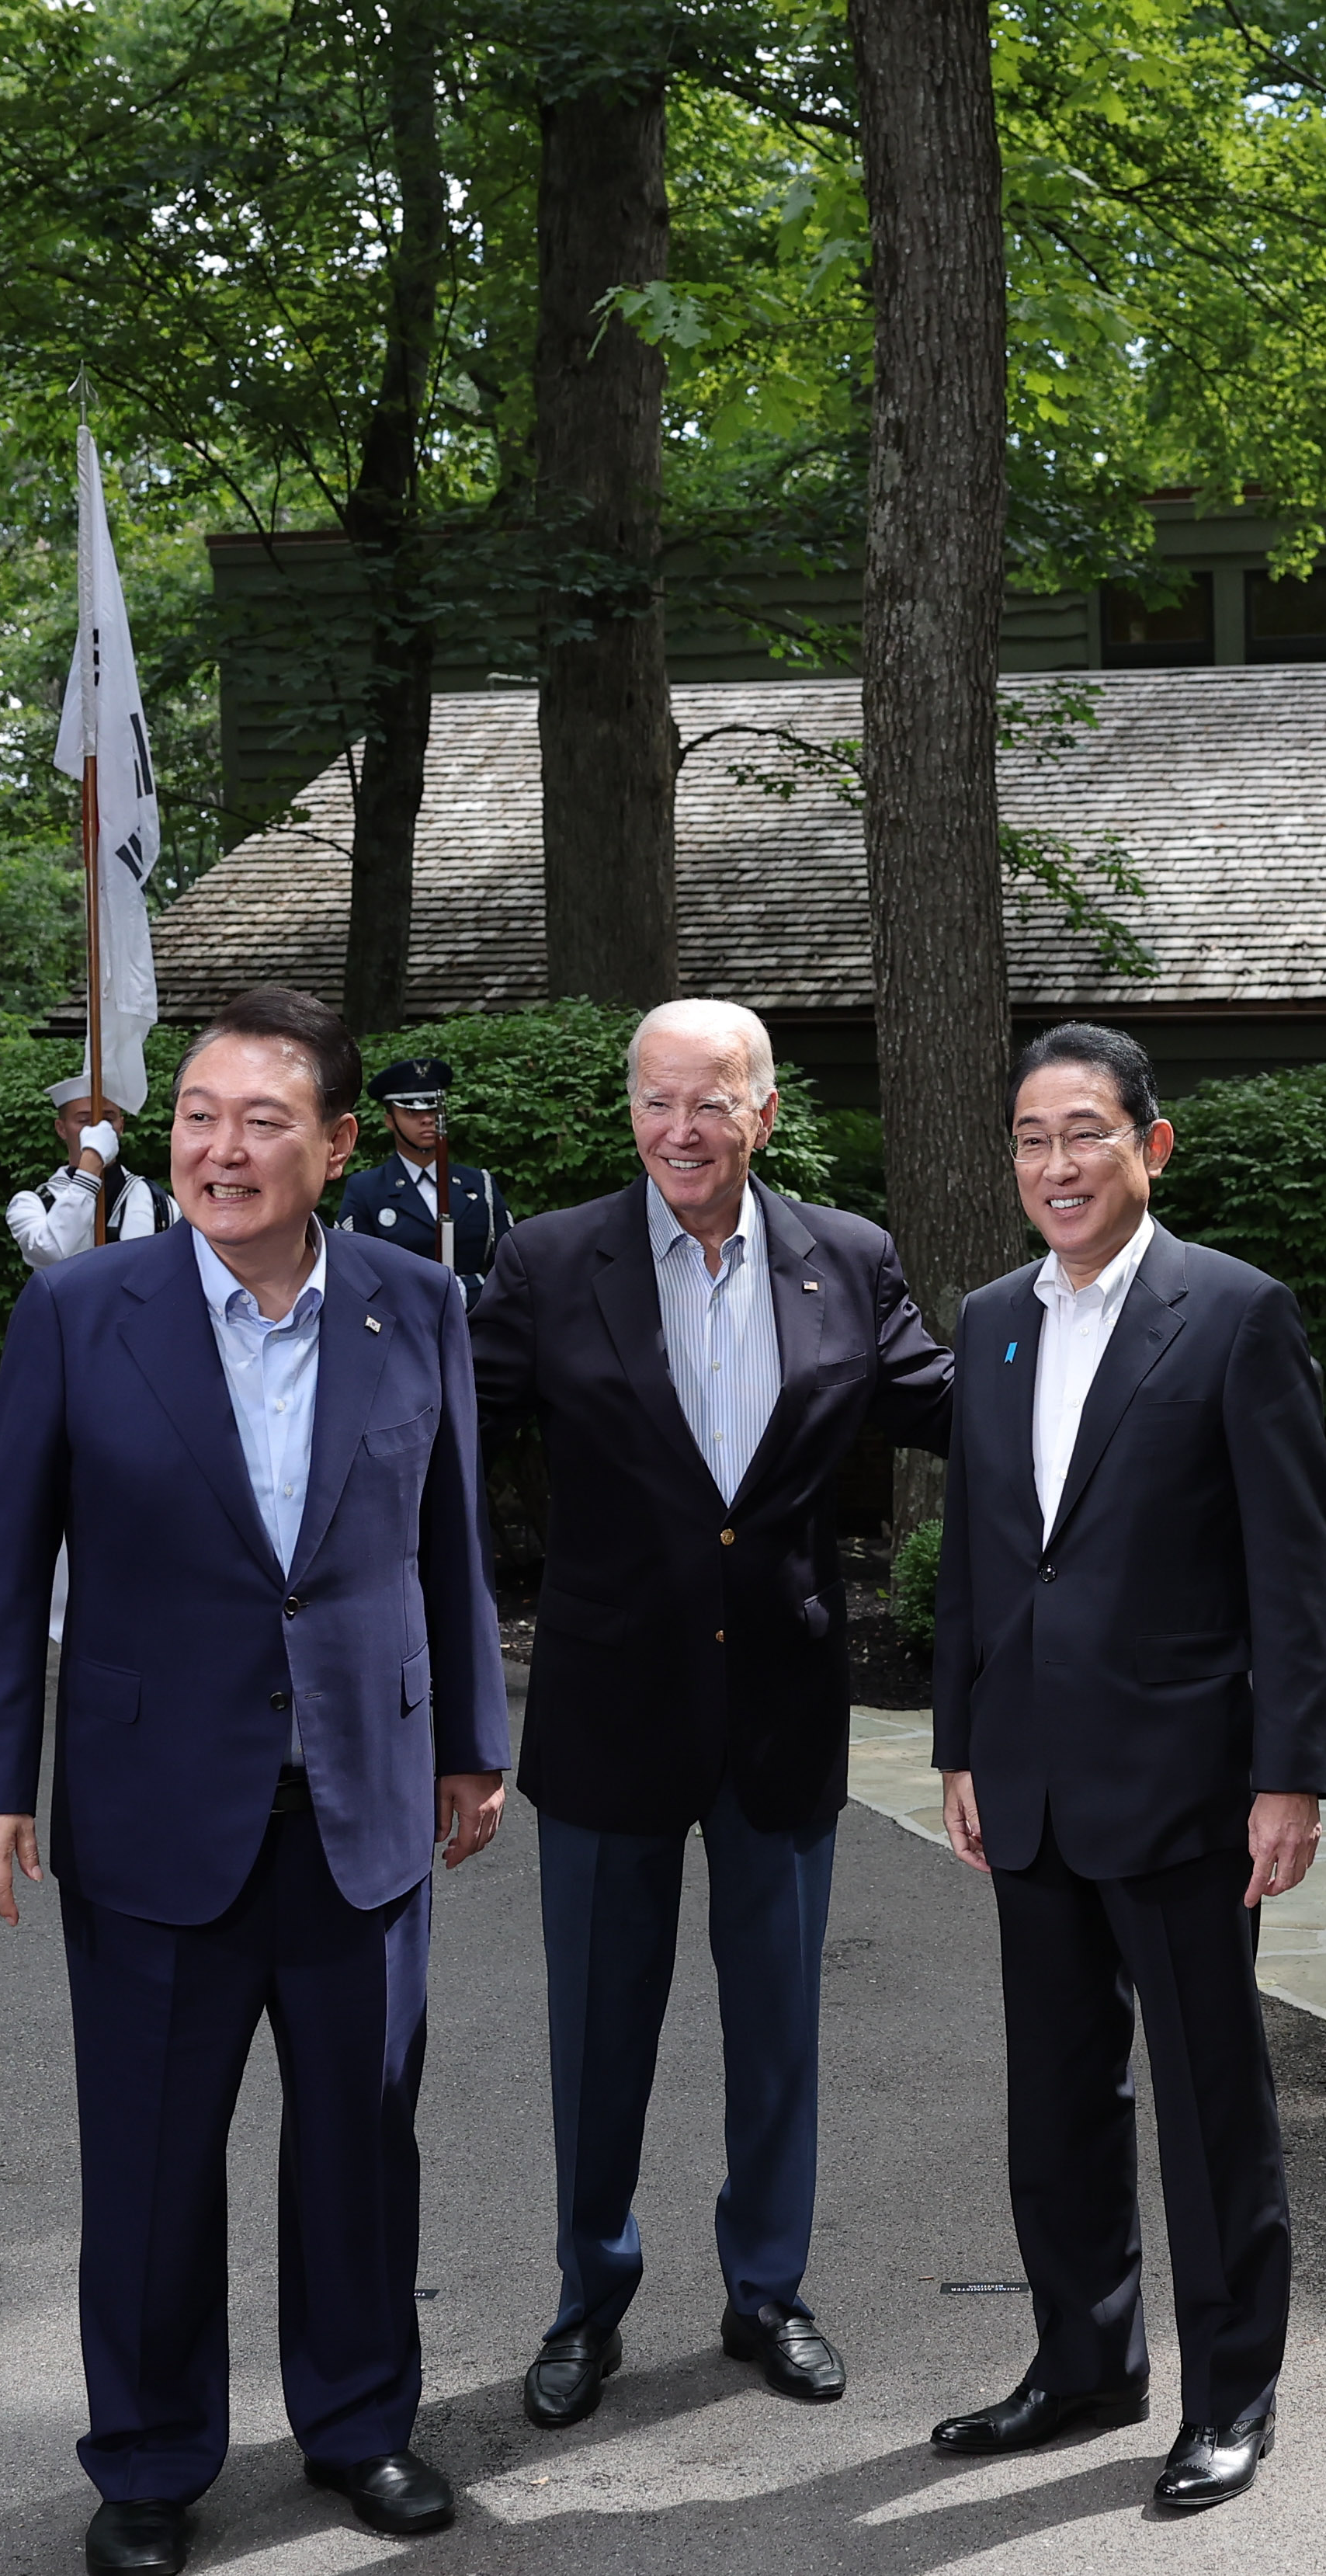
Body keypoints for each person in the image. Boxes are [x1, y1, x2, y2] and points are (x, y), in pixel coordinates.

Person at [0, 983, 509, 2576]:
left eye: (264, 1121)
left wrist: (472, 1742)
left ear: (336, 1145)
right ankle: (147, 2455)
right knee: (146, 2156)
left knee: (359, 2140)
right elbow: (3, 1568)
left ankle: (357, 2421)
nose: (220, 1147)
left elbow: (448, 1540)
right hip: (148, 1807)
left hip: (362, 1803)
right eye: (198, 1115)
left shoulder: (416, 1303)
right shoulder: (80, 1310)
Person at [467, 997, 954, 2431]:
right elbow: (434, 1415)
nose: (679, 1130)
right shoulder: (553, 1261)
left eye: (709, 1102)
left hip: (781, 1712)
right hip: (610, 1710)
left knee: (777, 2032)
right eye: (653, 1102)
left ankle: (767, 2292)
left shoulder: (845, 1259)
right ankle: (585, 2304)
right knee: (597, 2037)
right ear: (630, 1113)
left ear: (764, 1113)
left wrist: (1108, 1338)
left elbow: (940, 1396)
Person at [927, 1020, 1326, 2514]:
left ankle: (1231, 2391)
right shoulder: (988, 1322)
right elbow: (979, 1557)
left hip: (1185, 1785)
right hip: (1025, 1781)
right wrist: (957, 1745)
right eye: (1032, 1138)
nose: (1056, 1164)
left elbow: (1291, 1571)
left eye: (1083, 1133)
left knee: (1204, 2092)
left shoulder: (1234, 1315)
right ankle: (1082, 2361)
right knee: (1057, 2097)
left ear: (1148, 1146)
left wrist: (1288, 1776)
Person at [336, 1056, 508, 1299]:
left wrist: (470, 1290)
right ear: (389, 1121)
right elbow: (352, 1273)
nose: (426, 1119)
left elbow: (508, 1265)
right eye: (411, 1112)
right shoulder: (367, 1190)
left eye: (432, 1110)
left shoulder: (480, 1185)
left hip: (476, 1325)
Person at [7, 1074, 167, 1266]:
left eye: (108, 1119)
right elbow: (53, 1253)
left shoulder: (156, 1199)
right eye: (84, 1121)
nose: (98, 1129)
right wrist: (90, 1167)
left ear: (121, 1126)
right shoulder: (31, 1204)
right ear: (61, 1129)